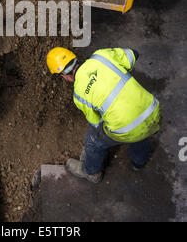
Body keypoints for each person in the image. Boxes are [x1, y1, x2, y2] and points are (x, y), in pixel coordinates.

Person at [46, 47, 161, 183]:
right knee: (140, 127)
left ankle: (91, 172)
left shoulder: (78, 95)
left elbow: (96, 122)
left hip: (129, 129)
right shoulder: (101, 56)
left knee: (93, 139)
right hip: (153, 111)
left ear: (64, 76)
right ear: (75, 57)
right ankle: (139, 162)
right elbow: (133, 54)